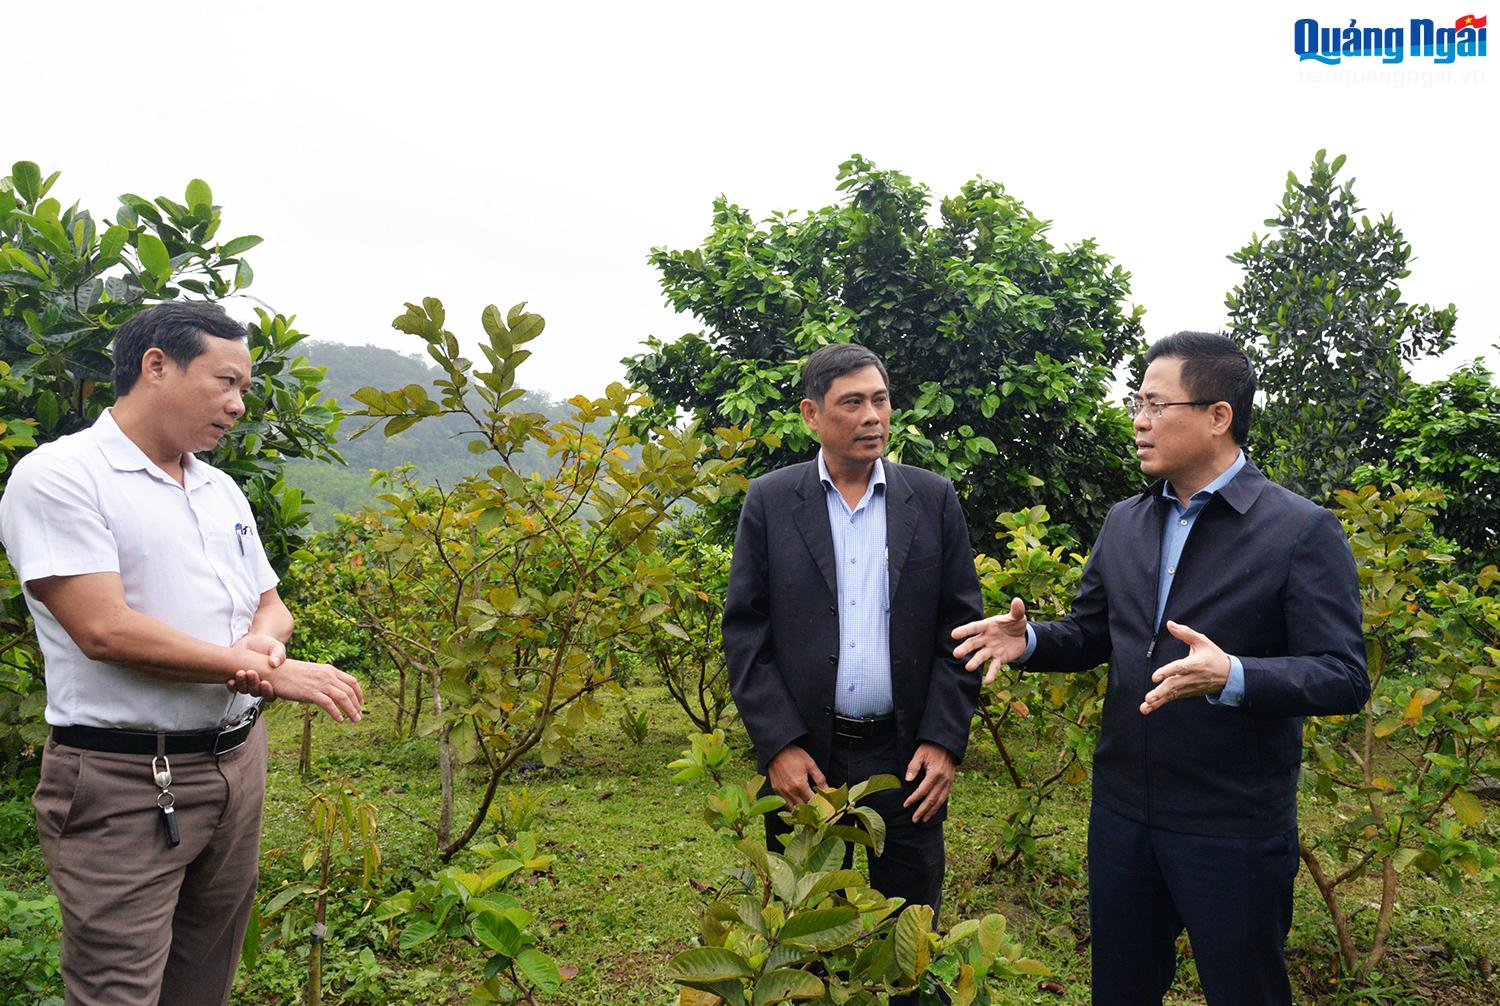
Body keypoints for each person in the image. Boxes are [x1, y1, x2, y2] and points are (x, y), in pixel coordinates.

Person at [952, 331, 1369, 1005]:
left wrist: (1234, 674)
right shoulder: (1127, 522)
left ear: (1217, 415)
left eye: (1155, 403)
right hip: (1123, 811)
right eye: (1136, 403)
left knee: (1245, 991)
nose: (1139, 422)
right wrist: (1027, 643)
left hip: (1231, 821)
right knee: (1120, 989)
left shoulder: (1298, 530)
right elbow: (1092, 635)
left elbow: (1343, 674)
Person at [0, 301, 364, 1006]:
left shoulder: (217, 486)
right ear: (156, 366)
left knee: (204, 976)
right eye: (224, 382)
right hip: (127, 775)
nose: (236, 405)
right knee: (119, 988)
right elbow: (102, 628)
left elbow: (269, 600)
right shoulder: (62, 477)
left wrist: (267, 639)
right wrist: (262, 669)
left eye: (245, 391)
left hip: (235, 758)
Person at [722, 342, 983, 921]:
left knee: (909, 931)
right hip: (807, 761)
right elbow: (746, 631)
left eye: (881, 401)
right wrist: (778, 745)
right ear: (811, 414)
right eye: (853, 403)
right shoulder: (771, 500)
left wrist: (943, 740)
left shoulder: (933, 499)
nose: (873, 417)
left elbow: (959, 630)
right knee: (810, 930)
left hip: (908, 757)